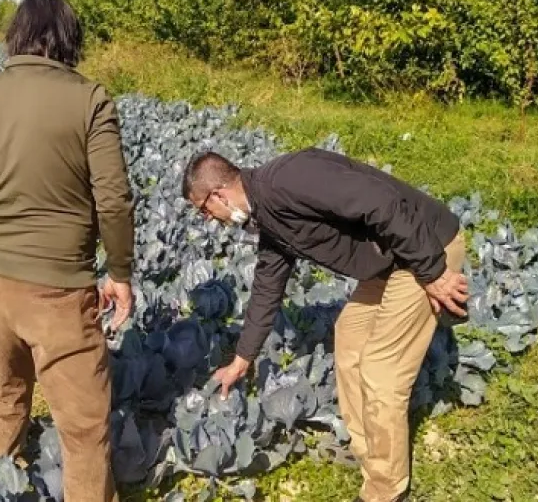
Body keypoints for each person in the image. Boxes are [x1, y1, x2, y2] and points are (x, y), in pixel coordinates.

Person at [0, 0, 135, 502]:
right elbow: (113, 200)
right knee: (84, 424)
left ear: (16, 37)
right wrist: (121, 272)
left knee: (4, 388)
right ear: (69, 40)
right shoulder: (90, 99)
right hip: (58, 291)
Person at [181, 148, 469, 502]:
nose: (208, 219)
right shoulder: (268, 215)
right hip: (389, 263)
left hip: (424, 247)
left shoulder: (289, 179)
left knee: (382, 371)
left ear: (218, 195)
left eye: (202, 209)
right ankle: (372, 456)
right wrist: (243, 358)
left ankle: (386, 490)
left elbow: (381, 201)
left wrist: (433, 270)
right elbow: (267, 286)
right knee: (348, 340)